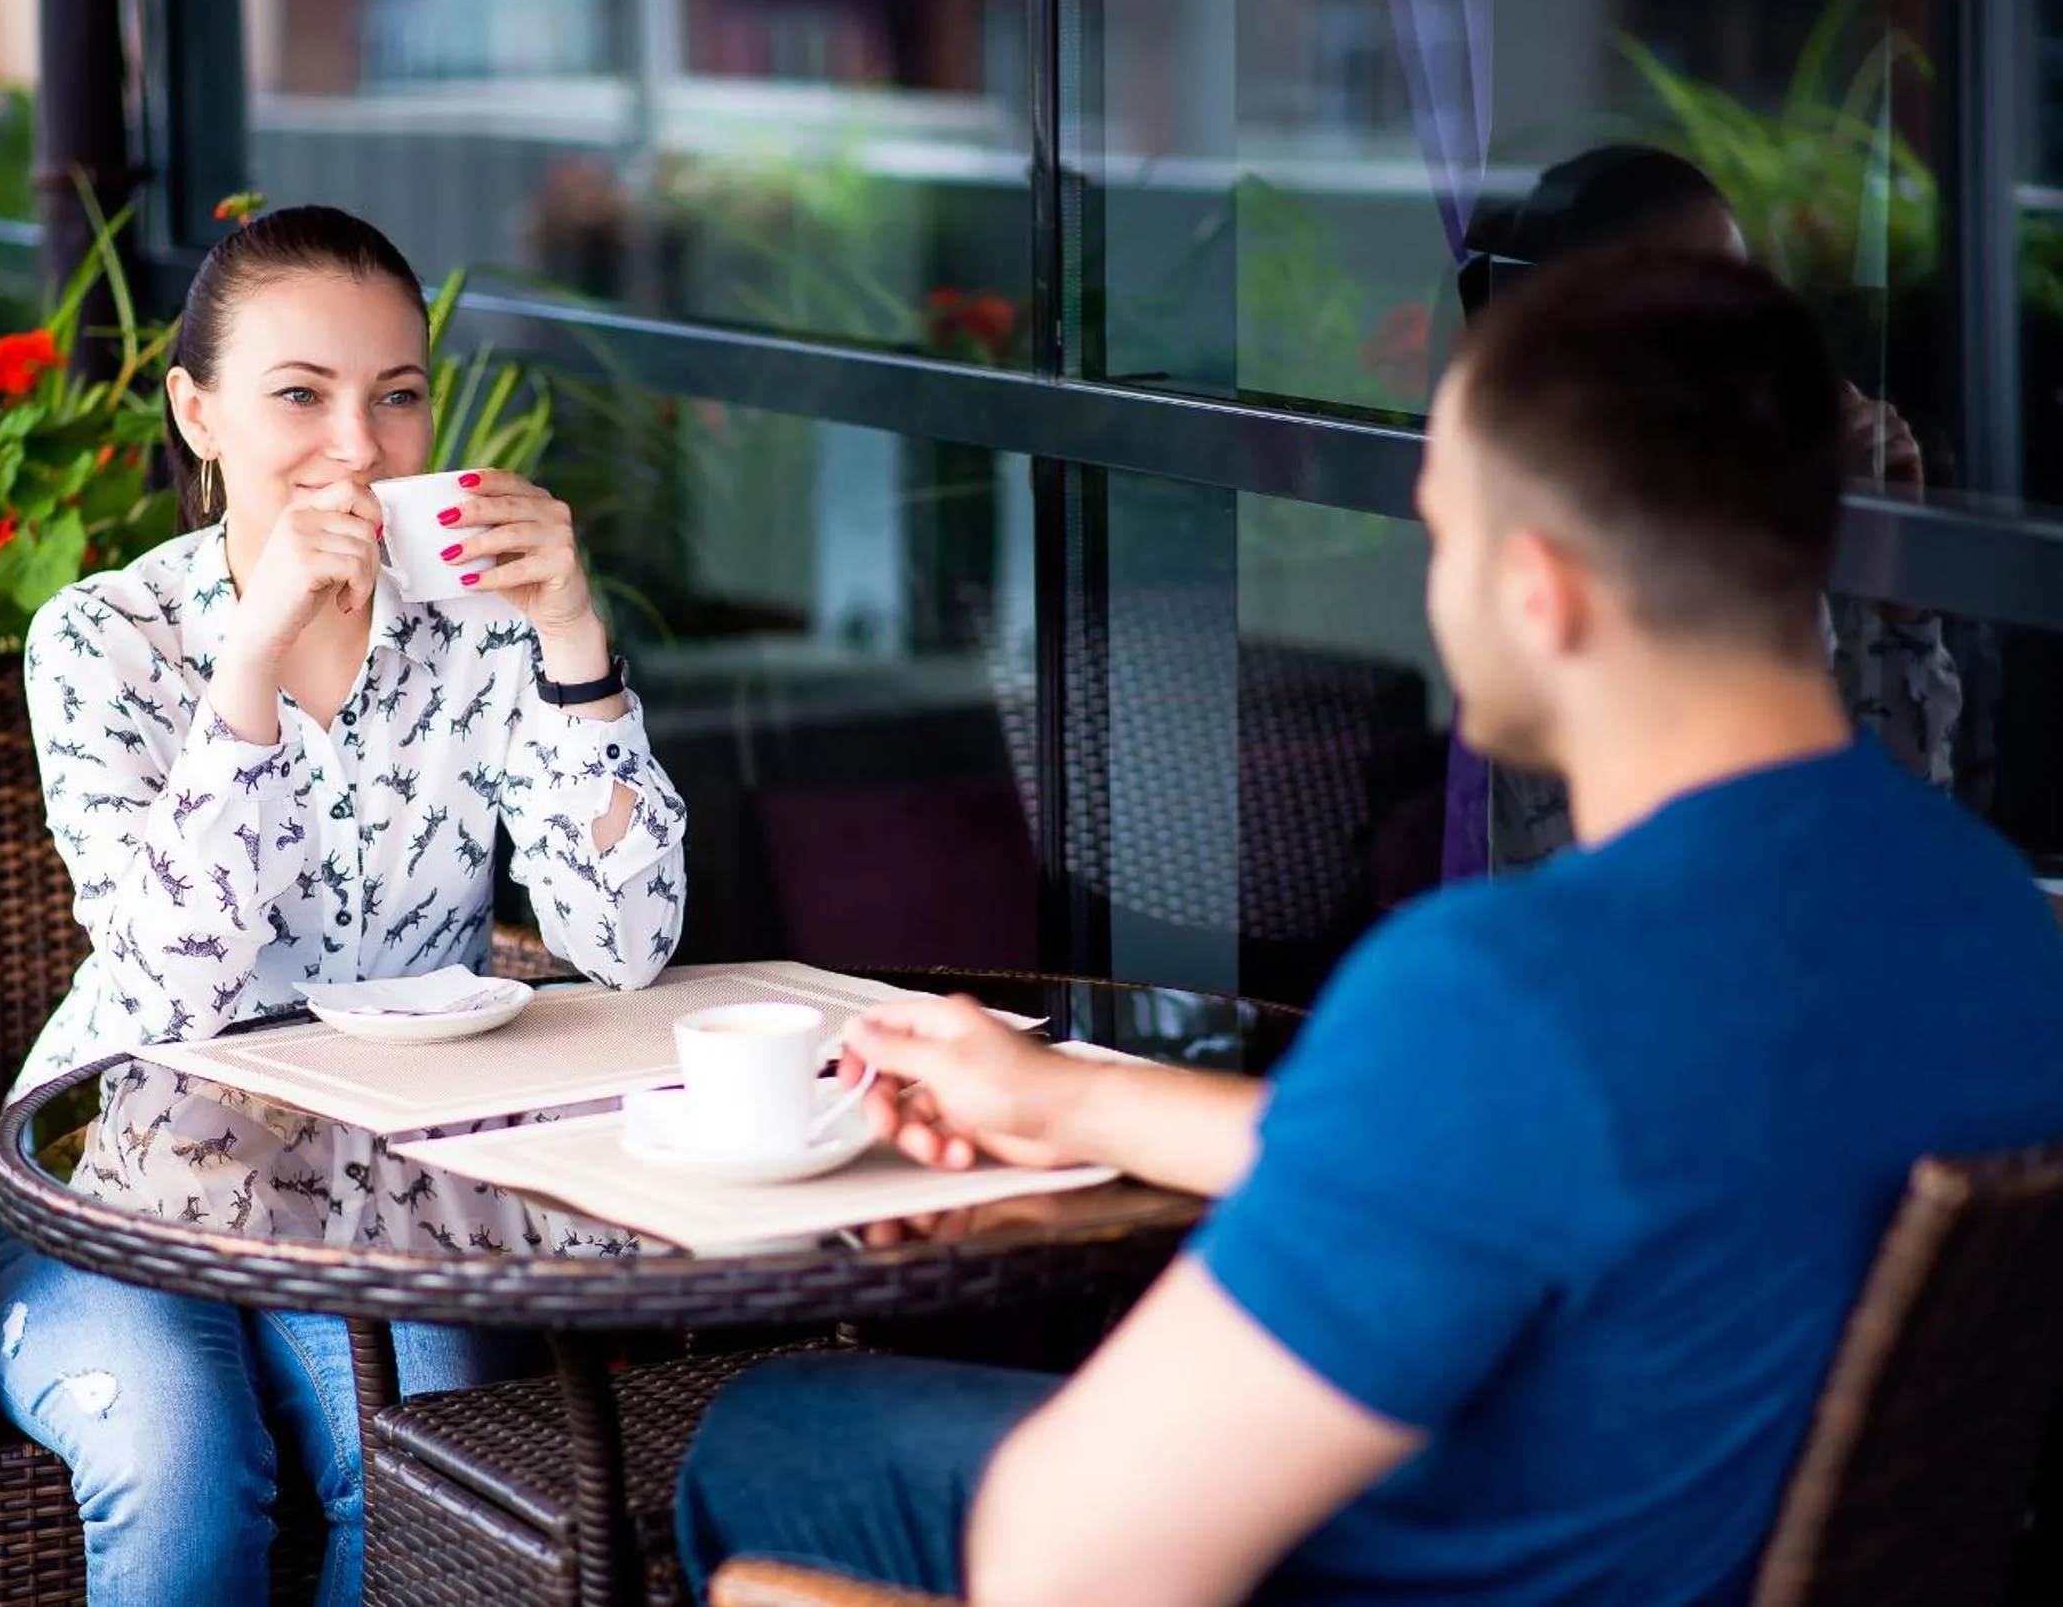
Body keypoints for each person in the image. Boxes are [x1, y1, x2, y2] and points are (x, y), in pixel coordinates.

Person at [675, 249, 2063, 1607]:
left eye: (1443, 530)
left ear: (1539, 593)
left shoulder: (1511, 996)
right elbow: (1555, 1172)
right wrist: (1079, 1097)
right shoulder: (1996, 922)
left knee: (776, 1435)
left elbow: (1067, 1565)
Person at [0, 205, 689, 1605]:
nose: (359, 446)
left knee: (417, 1468)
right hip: (110, 1174)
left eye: (397, 396)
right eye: (301, 394)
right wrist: (252, 661)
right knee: (184, 1470)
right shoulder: (104, 640)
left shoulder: (477, 629)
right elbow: (174, 993)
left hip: (385, 1188)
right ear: (200, 413)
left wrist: (574, 641)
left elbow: (627, 944)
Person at [1445, 143, 1961, 877]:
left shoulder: (1765, 538)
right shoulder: (1550, 594)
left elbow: (1906, 843)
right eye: (1692, 324)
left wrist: (1894, 581)